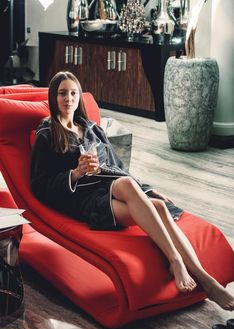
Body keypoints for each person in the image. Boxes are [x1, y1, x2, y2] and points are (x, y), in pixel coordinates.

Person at [31, 71, 234, 311]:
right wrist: (75, 173)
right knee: (128, 186)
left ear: (79, 98)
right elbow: (39, 184)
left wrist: (149, 190)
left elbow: (119, 167)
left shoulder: (93, 129)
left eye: (73, 93)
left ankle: (206, 280)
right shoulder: (47, 134)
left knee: (157, 206)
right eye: (62, 93)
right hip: (83, 199)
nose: (68, 98)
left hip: (109, 185)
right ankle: (175, 259)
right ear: (53, 97)